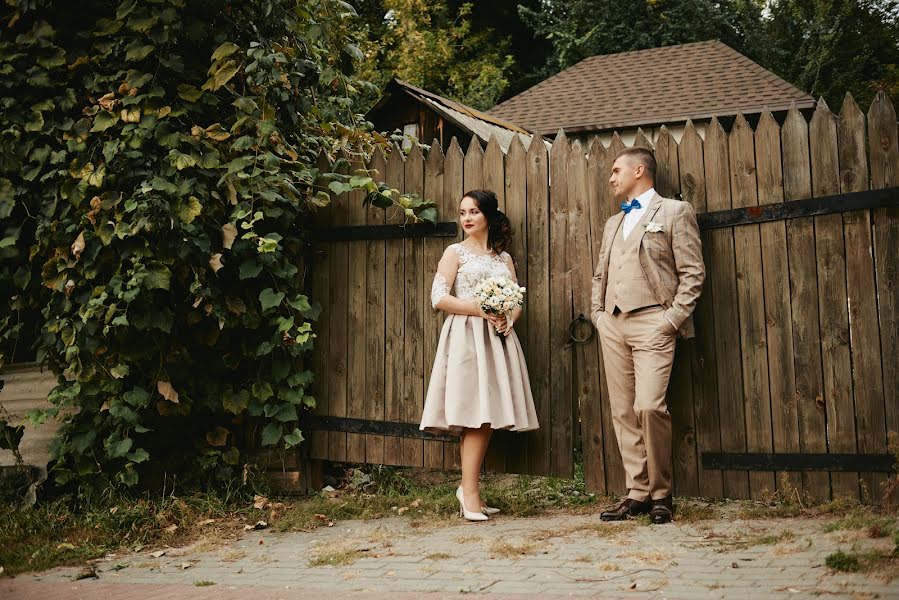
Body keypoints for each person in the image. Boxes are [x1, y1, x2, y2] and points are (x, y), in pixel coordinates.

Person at [591, 147, 705, 524]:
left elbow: (693, 274)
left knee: (649, 407)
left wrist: (671, 320)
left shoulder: (674, 212)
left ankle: (661, 493)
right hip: (613, 324)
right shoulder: (612, 223)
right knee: (623, 411)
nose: (611, 177)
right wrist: (598, 315)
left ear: (639, 170)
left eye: (615, 170)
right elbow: (600, 275)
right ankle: (637, 492)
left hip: (655, 322)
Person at [420, 189, 539, 522]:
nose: (466, 218)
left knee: (486, 414)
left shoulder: (504, 259)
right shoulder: (454, 252)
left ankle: (470, 491)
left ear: (489, 216)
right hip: (466, 338)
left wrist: (507, 318)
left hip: (498, 339)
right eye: (462, 213)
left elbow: (517, 301)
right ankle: (468, 492)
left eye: (473, 212)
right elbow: (438, 298)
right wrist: (481, 309)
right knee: (474, 414)